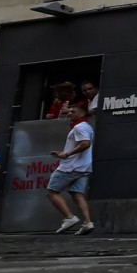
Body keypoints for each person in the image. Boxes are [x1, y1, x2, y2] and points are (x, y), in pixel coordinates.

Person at [45, 99, 94, 234]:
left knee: (51, 192)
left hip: (71, 167)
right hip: (83, 167)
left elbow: (85, 144)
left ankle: (69, 217)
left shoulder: (79, 127)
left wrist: (66, 154)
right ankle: (87, 222)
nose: (69, 113)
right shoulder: (86, 126)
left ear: (82, 112)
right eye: (70, 111)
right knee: (76, 193)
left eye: (73, 111)